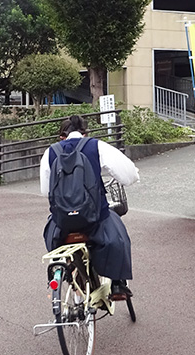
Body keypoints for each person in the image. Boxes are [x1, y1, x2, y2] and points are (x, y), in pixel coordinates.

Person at [40, 115, 140, 299]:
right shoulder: (96, 146)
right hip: (94, 219)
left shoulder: (50, 153)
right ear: (85, 133)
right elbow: (128, 175)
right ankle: (117, 284)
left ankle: (68, 268)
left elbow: (46, 190)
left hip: (63, 224)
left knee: (52, 233)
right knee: (118, 235)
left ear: (61, 137)